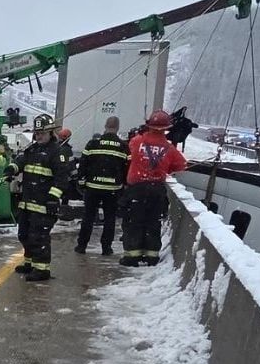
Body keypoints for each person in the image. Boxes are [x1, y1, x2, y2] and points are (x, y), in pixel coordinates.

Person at [3, 114, 72, 282]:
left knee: (38, 237)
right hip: (27, 202)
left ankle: (42, 269)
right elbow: (20, 161)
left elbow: (62, 179)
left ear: (50, 133)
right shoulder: (32, 149)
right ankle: (30, 263)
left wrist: (52, 198)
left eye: (42, 133)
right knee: (24, 235)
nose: (39, 135)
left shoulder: (57, 152)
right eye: (37, 133)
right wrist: (12, 169)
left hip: (43, 204)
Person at [120, 110, 188, 267]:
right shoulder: (169, 148)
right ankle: (151, 256)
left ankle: (131, 256)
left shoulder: (137, 141)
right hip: (156, 190)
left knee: (134, 222)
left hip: (136, 189)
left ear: (148, 125)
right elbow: (182, 165)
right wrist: (165, 168)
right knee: (153, 223)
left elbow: (130, 151)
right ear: (166, 129)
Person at [75, 116, 130, 255]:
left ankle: (82, 246)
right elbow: (127, 168)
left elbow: (83, 164)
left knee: (88, 216)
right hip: (112, 190)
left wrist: (81, 182)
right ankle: (106, 247)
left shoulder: (93, 144)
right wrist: (123, 184)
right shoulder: (123, 147)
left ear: (105, 126)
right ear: (117, 128)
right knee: (110, 218)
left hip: (93, 187)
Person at [56, 127, 77, 206]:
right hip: (65, 179)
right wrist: (75, 177)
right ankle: (64, 210)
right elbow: (71, 165)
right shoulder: (67, 150)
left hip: (56, 177)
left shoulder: (55, 147)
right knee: (66, 195)